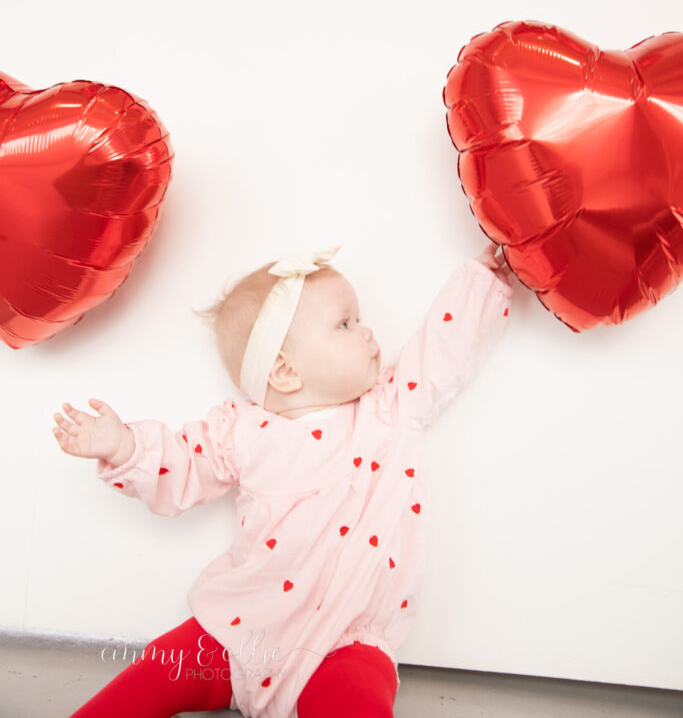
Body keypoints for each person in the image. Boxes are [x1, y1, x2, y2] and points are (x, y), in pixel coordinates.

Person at [53, 242, 514, 718]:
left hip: (344, 643)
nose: (369, 332)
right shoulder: (241, 433)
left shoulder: (390, 409)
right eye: (345, 323)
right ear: (286, 371)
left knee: (354, 701)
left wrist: (483, 280)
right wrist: (122, 446)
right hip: (238, 631)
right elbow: (183, 463)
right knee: (151, 676)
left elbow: (442, 351)